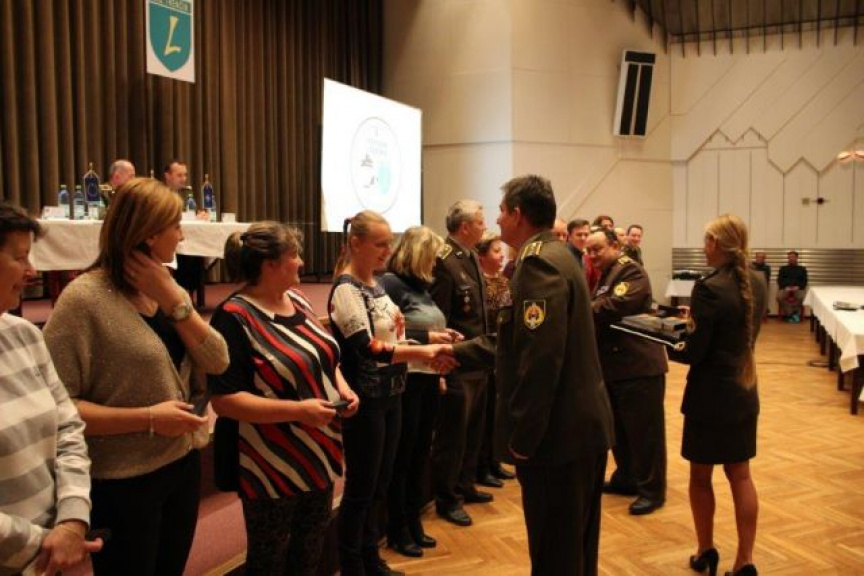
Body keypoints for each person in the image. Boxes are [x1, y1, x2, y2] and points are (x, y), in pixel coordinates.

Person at [44, 178, 230, 576]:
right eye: (176, 226)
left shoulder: (167, 290)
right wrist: (148, 418)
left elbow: (218, 361)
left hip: (181, 465)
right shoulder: (83, 300)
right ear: (149, 234)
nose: (183, 235)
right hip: (123, 482)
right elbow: (57, 409)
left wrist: (173, 299)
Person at [451, 175, 614, 576]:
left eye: (502, 211)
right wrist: (453, 353)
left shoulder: (537, 263)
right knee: (575, 551)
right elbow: (516, 342)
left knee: (554, 555)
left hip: (556, 439)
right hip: (577, 431)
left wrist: (523, 438)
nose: (497, 220)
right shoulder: (558, 255)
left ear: (519, 214)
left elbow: (541, 361)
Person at [206, 221, 359, 575]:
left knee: (309, 552)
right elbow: (224, 401)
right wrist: (298, 411)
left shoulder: (299, 300)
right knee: (268, 561)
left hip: (319, 451)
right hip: (270, 464)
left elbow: (324, 358)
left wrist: (343, 387)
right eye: (294, 255)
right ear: (269, 265)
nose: (302, 262)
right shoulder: (233, 317)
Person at [329, 210, 452, 576]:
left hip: (392, 394)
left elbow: (393, 336)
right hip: (366, 399)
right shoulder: (346, 289)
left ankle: (371, 558)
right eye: (380, 244)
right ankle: (353, 565)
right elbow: (367, 347)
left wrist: (424, 346)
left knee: (380, 485)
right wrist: (422, 352)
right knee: (361, 489)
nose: (387, 250)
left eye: (389, 243)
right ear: (356, 243)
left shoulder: (376, 284)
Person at [0, 204, 103, 576]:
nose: (31, 271)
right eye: (20, 258)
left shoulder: (24, 334)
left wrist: (72, 521)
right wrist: (42, 545)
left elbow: (68, 428)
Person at [668, 214, 767, 576]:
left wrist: (663, 339)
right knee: (741, 475)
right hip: (743, 389)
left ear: (716, 244)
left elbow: (694, 352)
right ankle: (745, 560)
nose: (703, 247)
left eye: (706, 240)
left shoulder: (708, 287)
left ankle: (705, 550)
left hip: (709, 397)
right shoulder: (757, 281)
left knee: (700, 476)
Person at [381, 226, 459, 558]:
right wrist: (431, 337)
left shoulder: (421, 287)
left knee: (418, 456)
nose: (436, 262)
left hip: (427, 377)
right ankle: (398, 528)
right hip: (407, 379)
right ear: (417, 253)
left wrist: (443, 334)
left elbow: (424, 325)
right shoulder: (391, 284)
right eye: (432, 255)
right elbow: (387, 330)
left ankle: (413, 522)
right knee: (404, 457)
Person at [585, 227, 668, 516]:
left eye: (597, 249)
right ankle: (627, 478)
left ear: (614, 245)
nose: (592, 255)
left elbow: (613, 307)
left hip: (638, 367)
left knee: (645, 434)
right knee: (620, 430)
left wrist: (581, 308)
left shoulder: (630, 271)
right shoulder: (608, 274)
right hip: (617, 368)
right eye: (588, 251)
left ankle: (652, 491)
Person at [429, 199, 494, 528]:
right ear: (465, 226)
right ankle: (447, 497)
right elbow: (440, 316)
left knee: (472, 431)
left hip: (477, 360)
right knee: (453, 437)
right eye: (480, 222)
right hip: (456, 362)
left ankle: (466, 484)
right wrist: (441, 361)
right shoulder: (444, 260)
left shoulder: (469, 256)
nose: (485, 226)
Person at [474, 231, 516, 489]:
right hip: (484, 351)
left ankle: (494, 460)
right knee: (484, 414)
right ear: (482, 255)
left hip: (502, 353)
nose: (501, 256)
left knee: (498, 414)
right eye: (496, 251)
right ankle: (481, 466)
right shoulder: (479, 282)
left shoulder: (504, 281)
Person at [163, 160, 205, 305]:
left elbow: (191, 213)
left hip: (184, 236)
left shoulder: (186, 194)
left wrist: (199, 214)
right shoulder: (159, 193)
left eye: (185, 175)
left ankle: (190, 293)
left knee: (195, 249)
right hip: (165, 237)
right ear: (168, 176)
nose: (183, 179)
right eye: (179, 175)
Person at [777, 250, 807, 322]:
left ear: (797, 258)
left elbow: (804, 281)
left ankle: (791, 315)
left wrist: (798, 287)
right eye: (789, 257)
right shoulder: (783, 268)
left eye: (793, 257)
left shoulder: (802, 269)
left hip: (798, 288)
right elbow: (779, 280)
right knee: (779, 297)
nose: (791, 258)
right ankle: (792, 314)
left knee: (802, 297)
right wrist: (786, 287)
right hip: (785, 288)